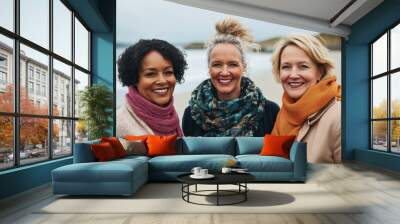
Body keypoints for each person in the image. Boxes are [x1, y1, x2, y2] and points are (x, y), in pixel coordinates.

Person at [182, 18, 279, 137]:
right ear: (209, 68)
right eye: (217, 64)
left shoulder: (269, 111)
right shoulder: (192, 114)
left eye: (232, 64)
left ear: (244, 67)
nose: (224, 72)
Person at [270, 34, 341, 163]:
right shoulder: (284, 114)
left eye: (303, 66)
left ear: (319, 71)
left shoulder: (339, 116)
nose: (293, 75)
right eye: (286, 67)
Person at [117, 39, 187, 137]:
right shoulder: (118, 125)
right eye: (150, 74)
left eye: (168, 72)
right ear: (134, 78)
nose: (162, 80)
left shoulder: (171, 117)